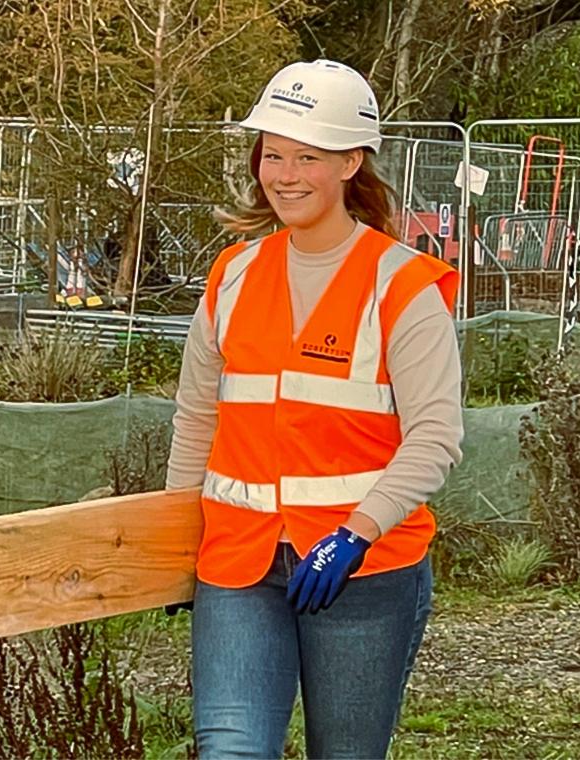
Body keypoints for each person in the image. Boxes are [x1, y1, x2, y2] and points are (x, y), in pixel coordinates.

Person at [166, 59, 463, 759]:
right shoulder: (233, 276)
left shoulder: (403, 286)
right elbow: (195, 416)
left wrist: (355, 533)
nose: (286, 174)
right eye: (274, 154)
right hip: (241, 564)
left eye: (309, 156)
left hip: (364, 569)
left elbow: (436, 437)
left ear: (351, 162)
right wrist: (174, 535)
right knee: (230, 749)